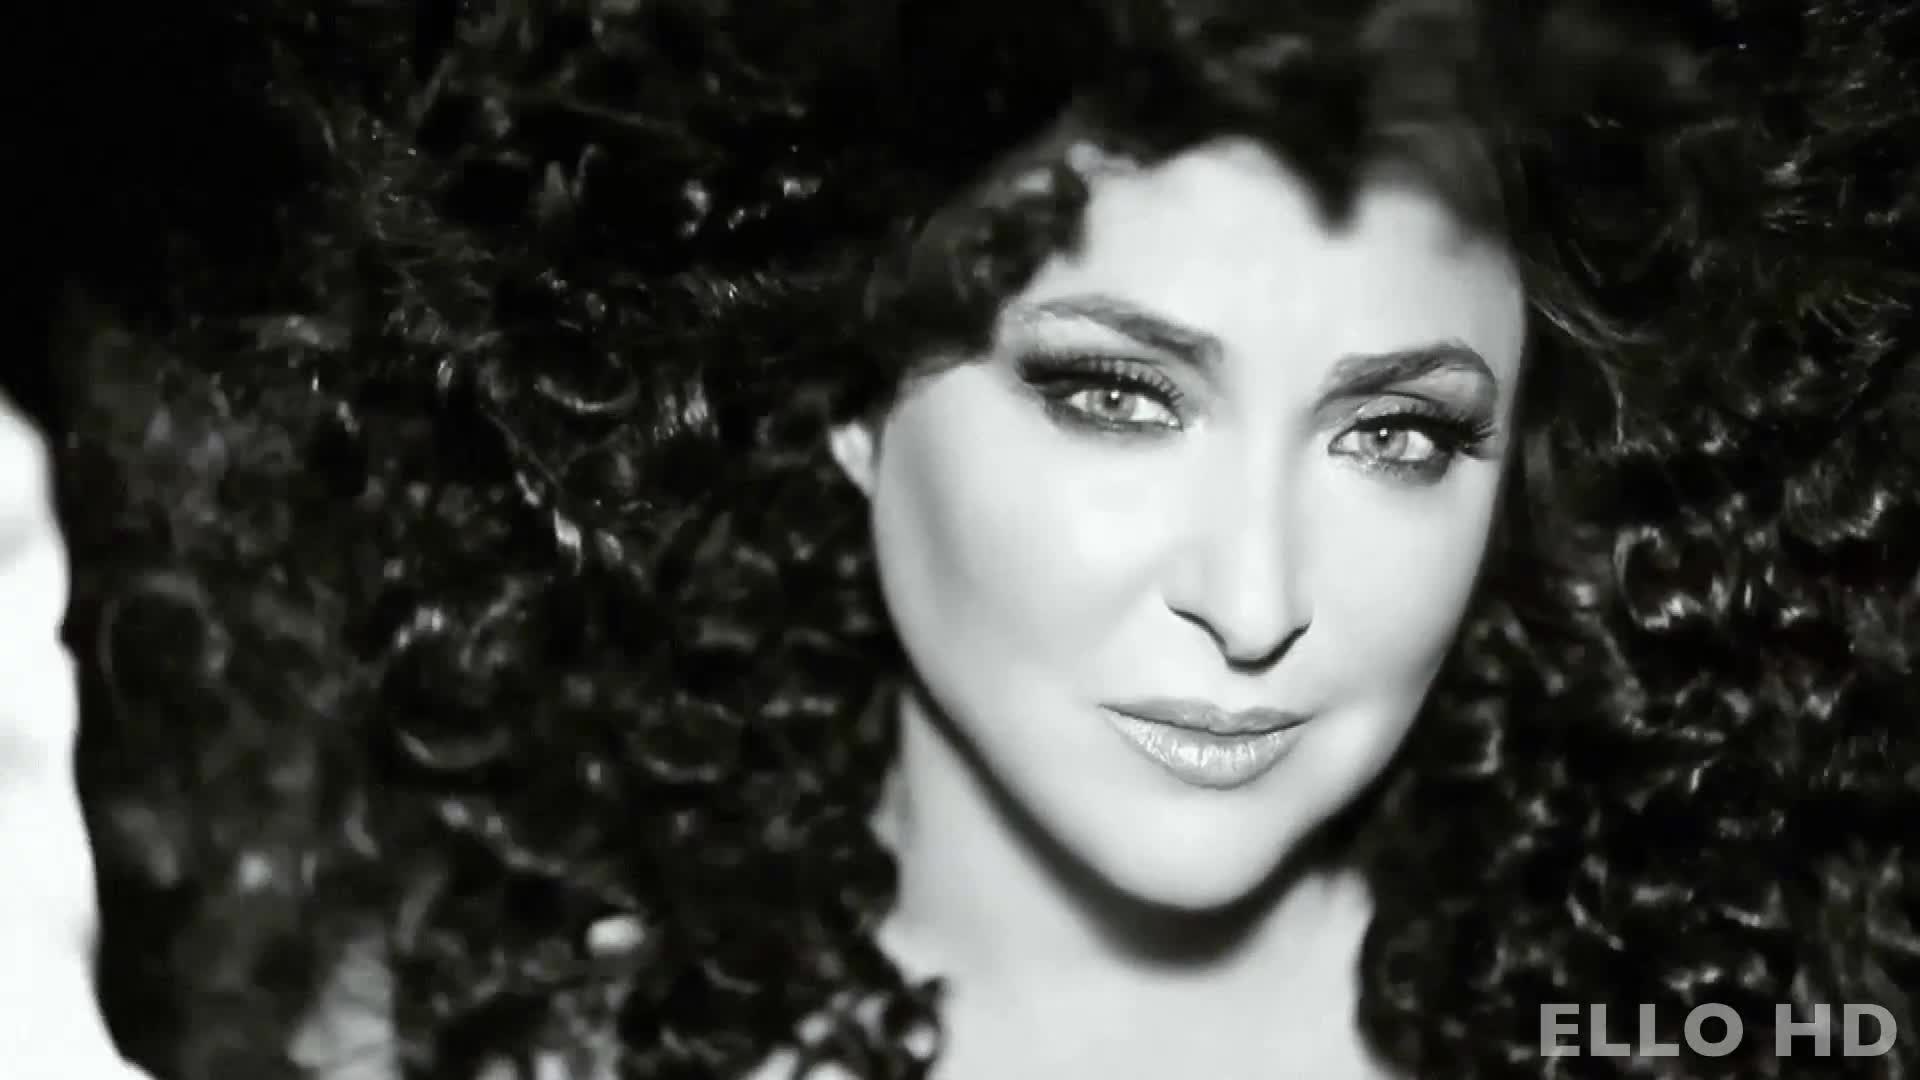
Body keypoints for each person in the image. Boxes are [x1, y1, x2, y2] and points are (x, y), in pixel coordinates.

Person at [15, 0, 1920, 1076]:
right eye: (1116, 396)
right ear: (844, 391)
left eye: (1394, 434)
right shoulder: (493, 1054)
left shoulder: (1723, 1039)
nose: (1257, 601)